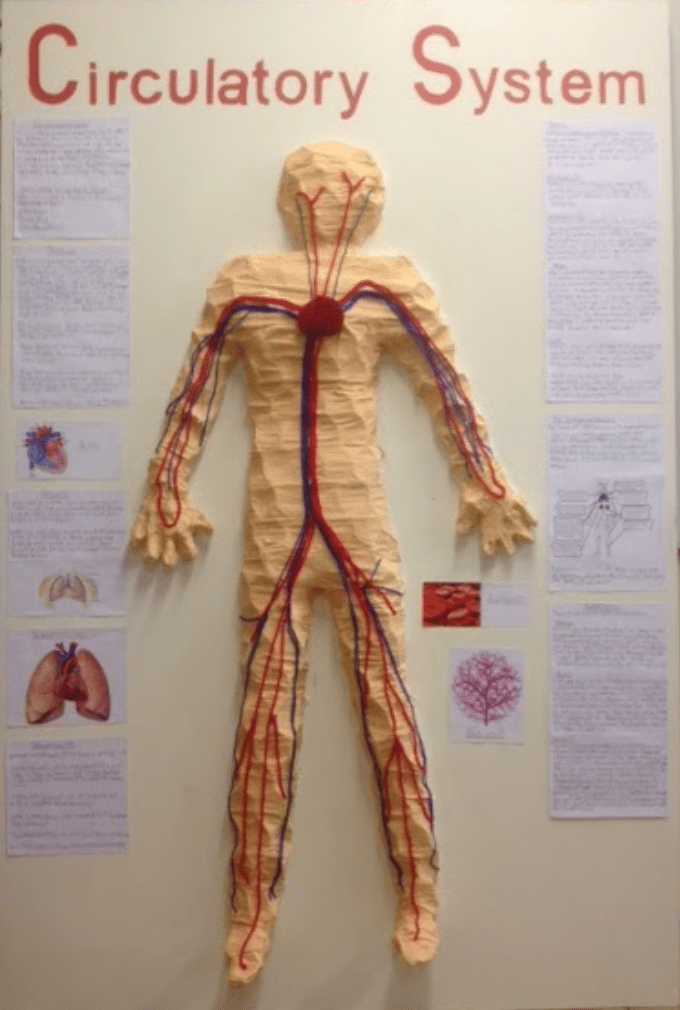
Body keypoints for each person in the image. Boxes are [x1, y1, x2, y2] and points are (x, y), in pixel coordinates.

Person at [131, 141, 535, 985]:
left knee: (389, 708)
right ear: (288, 199)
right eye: (314, 187)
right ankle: (250, 910)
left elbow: (444, 382)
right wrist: (165, 488)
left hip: (358, 524)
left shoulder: (390, 282)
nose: (330, 199)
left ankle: (419, 894)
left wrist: (486, 482)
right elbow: (195, 391)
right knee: (263, 720)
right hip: (276, 528)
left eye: (350, 187)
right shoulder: (244, 283)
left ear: (372, 201)